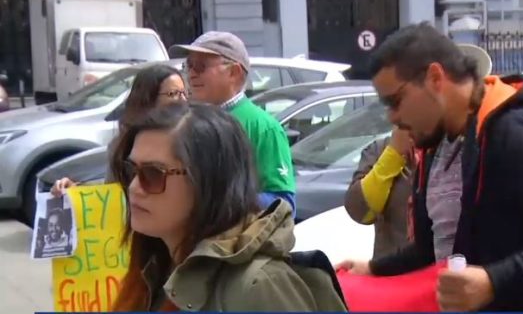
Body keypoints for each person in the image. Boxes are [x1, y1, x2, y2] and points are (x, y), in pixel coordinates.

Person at [337, 23, 523, 312]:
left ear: (434, 78)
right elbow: (431, 251)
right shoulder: (434, 146)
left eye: (395, 101)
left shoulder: (512, 134)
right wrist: (372, 268)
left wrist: (494, 281)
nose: (392, 117)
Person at [110, 102, 346, 311]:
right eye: (131, 170)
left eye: (153, 174)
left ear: (208, 181)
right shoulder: (154, 268)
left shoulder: (259, 285)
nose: (133, 187)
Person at [169, 32, 297, 215]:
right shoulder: (183, 121)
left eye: (200, 66)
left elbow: (284, 205)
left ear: (234, 72)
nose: (190, 74)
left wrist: (221, 199)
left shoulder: (263, 127)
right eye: (188, 65)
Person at [50, 64, 188, 196]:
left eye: (184, 93)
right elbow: (115, 192)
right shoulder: (121, 146)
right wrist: (76, 192)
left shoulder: (191, 141)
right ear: (148, 99)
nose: (183, 100)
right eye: (173, 93)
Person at [344, 126, 414, 260]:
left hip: (447, 269)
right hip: (392, 271)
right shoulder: (379, 150)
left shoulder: (452, 149)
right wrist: (394, 153)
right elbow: (359, 211)